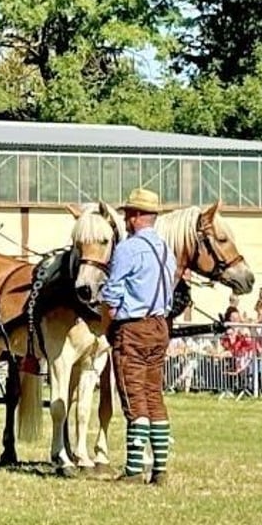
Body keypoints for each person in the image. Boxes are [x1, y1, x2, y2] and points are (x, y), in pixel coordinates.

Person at [102, 188, 177, 486]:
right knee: (153, 395)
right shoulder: (166, 250)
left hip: (133, 327)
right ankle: (160, 469)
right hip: (160, 325)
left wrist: (107, 325)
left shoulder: (128, 249)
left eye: (127, 215)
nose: (125, 220)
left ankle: (134, 470)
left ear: (134, 216)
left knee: (134, 397)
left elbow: (112, 295)